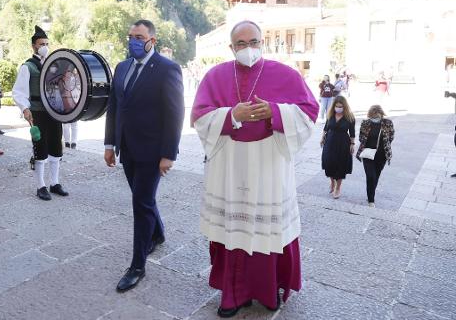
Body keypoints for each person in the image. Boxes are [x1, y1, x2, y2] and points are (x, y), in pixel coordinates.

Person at [192, 20, 318, 316]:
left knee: (265, 231)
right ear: (231, 47)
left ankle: (266, 292)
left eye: (253, 42)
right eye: (241, 44)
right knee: (232, 233)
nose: (248, 49)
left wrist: (274, 111)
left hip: (268, 165)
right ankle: (232, 296)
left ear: (263, 42)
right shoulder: (215, 75)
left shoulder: (286, 74)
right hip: (229, 166)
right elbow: (199, 116)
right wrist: (232, 114)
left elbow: (309, 112)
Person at [104, 19, 184, 292]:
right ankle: (158, 233)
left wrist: (168, 153)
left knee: (140, 202)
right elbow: (114, 108)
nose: (133, 41)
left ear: (152, 40)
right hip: (127, 148)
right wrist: (108, 144)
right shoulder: (122, 67)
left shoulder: (167, 69)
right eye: (130, 35)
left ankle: (137, 265)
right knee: (144, 199)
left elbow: (175, 113)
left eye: (139, 36)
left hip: (152, 151)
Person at [12, 26, 68, 201]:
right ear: (33, 46)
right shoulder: (27, 67)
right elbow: (18, 91)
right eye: (41, 43)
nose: (44, 46)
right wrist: (25, 108)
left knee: (56, 146)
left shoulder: (54, 65)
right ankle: (40, 186)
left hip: (54, 112)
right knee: (40, 148)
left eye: (46, 43)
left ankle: (55, 183)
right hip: (37, 112)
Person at [356, 105, 394, 207]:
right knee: (371, 176)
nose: (375, 118)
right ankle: (371, 200)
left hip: (382, 155)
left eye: (377, 116)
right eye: (373, 116)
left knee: (376, 176)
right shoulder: (365, 123)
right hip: (368, 154)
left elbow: (391, 137)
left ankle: (371, 192)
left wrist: (383, 144)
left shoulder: (388, 123)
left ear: (381, 114)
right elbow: (361, 138)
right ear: (370, 115)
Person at [320, 95, 355, 199]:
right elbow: (326, 127)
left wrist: (352, 144)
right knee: (328, 163)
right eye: (337, 106)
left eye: (341, 106)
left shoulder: (350, 117)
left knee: (340, 165)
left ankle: (338, 187)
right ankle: (332, 182)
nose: (338, 108)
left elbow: (352, 133)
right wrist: (322, 138)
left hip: (343, 143)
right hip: (330, 141)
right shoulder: (330, 114)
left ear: (344, 106)